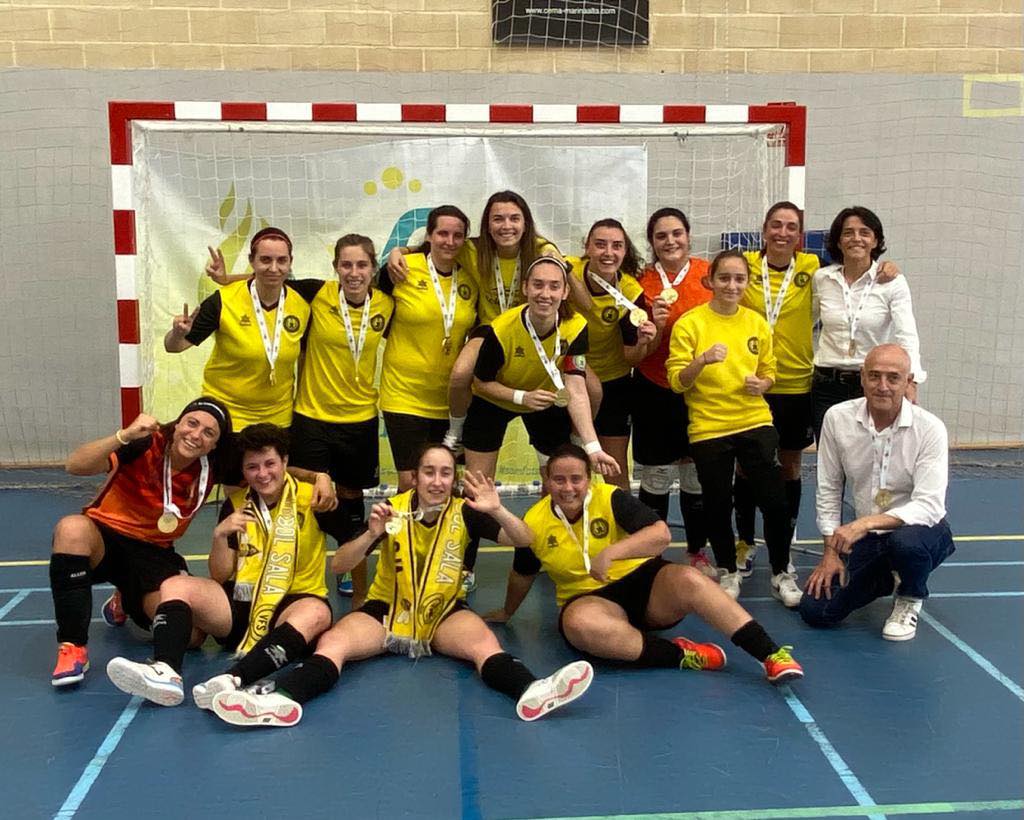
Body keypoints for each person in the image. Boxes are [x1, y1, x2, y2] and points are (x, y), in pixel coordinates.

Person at [207, 445, 594, 727]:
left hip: (441, 613)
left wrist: (497, 509)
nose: (438, 481)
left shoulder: (467, 512)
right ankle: (279, 699)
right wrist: (370, 534)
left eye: (445, 473)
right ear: (415, 476)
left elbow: (524, 539)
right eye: (429, 472)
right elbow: (339, 564)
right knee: (333, 645)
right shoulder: (392, 511)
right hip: (384, 610)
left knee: (485, 646)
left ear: (454, 478)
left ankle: (532, 691)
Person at [485, 444, 803, 684]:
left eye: (576, 479)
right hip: (588, 599)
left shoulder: (611, 498)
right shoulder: (534, 520)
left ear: (589, 480)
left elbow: (661, 535)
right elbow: (523, 572)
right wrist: (507, 612)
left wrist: (611, 553)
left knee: (692, 580)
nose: (568, 488)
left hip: (644, 584)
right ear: (547, 481)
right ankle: (681, 654)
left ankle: (770, 654)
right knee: (582, 627)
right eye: (559, 480)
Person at [105, 424, 333, 706]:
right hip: (240, 604)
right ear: (243, 471)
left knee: (317, 614)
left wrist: (326, 481)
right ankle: (166, 671)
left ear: (285, 462)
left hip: (292, 606)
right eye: (252, 467)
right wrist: (220, 534)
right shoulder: (237, 503)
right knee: (175, 584)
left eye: (270, 464)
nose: (262, 474)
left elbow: (347, 549)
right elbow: (220, 574)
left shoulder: (313, 497)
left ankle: (233, 680)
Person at [49, 398, 232, 687]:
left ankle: (125, 598)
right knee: (71, 529)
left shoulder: (214, 468)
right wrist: (123, 435)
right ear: (178, 423)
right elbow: (74, 465)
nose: (196, 435)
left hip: (154, 554)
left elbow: (268, 468)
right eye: (192, 423)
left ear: (214, 445)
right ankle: (73, 646)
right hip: (105, 539)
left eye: (209, 433)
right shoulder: (146, 443)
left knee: (193, 638)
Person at [665, 250, 801, 606]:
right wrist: (702, 360)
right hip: (709, 426)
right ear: (710, 281)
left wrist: (764, 384)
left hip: (754, 419)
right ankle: (727, 569)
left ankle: (782, 571)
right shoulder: (690, 324)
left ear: (747, 282)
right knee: (717, 501)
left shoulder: (756, 323)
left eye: (739, 279)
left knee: (774, 499)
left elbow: (769, 369)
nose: (732, 285)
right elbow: (677, 382)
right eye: (724, 278)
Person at [800, 344, 954, 640]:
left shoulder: (930, 428)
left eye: (893, 378)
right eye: (874, 376)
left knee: (906, 544)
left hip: (919, 533)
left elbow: (929, 505)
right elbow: (829, 487)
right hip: (868, 539)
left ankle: (910, 595)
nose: (882, 386)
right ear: (862, 378)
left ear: (909, 382)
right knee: (816, 611)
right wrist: (830, 553)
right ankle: (882, 579)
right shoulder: (837, 418)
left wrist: (863, 523)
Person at [386, 191, 558, 453]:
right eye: (498, 219)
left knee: (587, 385)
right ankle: (456, 431)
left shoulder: (540, 251)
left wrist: (551, 250)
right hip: (491, 330)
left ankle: (581, 440)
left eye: (514, 218)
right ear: (487, 225)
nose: (506, 226)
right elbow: (432, 247)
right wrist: (399, 250)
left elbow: (558, 269)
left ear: (526, 223)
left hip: (530, 329)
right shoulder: (471, 250)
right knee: (460, 374)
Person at [463, 255, 620, 483]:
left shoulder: (575, 328)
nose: (545, 294)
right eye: (538, 285)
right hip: (495, 400)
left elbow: (576, 389)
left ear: (565, 292)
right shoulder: (500, 330)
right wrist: (522, 397)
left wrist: (593, 447)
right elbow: (480, 383)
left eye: (554, 286)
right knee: (477, 485)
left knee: (557, 481)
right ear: (525, 288)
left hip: (545, 399)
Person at [629, 208, 713, 574]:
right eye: (661, 236)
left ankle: (697, 551)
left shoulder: (708, 274)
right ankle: (653, 554)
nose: (670, 241)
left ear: (688, 235)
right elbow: (633, 339)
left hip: (698, 387)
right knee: (656, 474)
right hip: (651, 385)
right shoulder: (638, 281)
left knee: (695, 474)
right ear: (651, 242)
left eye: (676, 233)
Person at [165, 227, 311, 431]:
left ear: (290, 262)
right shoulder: (223, 301)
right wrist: (176, 334)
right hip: (225, 417)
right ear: (252, 261)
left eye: (281, 260)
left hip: (278, 419)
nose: (274, 268)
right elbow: (174, 347)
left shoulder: (302, 304)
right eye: (266, 260)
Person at [378, 206, 478, 491]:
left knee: (447, 482)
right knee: (410, 483)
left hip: (451, 401)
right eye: (442, 233)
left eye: (457, 235)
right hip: (404, 395)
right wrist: (399, 251)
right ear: (430, 236)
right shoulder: (402, 269)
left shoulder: (471, 278)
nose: (450, 241)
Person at [812, 206, 926, 442]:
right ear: (838, 241)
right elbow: (805, 321)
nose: (856, 238)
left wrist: (910, 381)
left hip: (873, 384)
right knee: (830, 460)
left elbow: (907, 334)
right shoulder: (822, 279)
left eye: (864, 232)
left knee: (870, 459)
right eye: (848, 233)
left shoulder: (892, 282)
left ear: (875, 241)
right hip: (826, 385)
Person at [564, 219, 650, 491]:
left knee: (615, 469)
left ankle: (624, 530)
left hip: (616, 382)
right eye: (600, 245)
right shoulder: (567, 269)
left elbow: (632, 358)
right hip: (568, 374)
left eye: (617, 246)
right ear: (586, 247)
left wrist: (643, 343)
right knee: (564, 468)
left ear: (625, 252)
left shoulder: (632, 293)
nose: (608, 252)